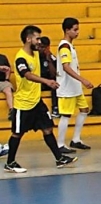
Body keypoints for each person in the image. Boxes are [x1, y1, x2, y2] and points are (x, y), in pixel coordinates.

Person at [3, 26, 77, 173]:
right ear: (28, 39)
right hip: (23, 104)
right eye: (37, 38)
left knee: (48, 128)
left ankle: (59, 158)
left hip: (37, 102)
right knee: (17, 133)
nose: (39, 41)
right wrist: (46, 81)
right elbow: (27, 74)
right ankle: (10, 162)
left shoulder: (37, 53)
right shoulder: (21, 57)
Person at [55, 18, 93, 154]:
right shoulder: (64, 46)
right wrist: (83, 79)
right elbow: (66, 67)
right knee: (65, 115)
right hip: (66, 87)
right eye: (75, 29)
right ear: (67, 30)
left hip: (75, 87)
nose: (77, 32)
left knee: (84, 109)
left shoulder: (70, 46)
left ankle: (76, 139)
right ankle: (60, 144)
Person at [36, 36, 58, 117]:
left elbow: (54, 74)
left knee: (55, 84)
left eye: (42, 47)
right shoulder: (34, 57)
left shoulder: (52, 58)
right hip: (39, 81)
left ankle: (55, 108)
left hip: (49, 82)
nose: (39, 49)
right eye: (38, 46)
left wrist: (48, 60)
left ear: (47, 47)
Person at [0, 52, 14, 119]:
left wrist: (7, 79)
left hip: (2, 81)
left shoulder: (3, 57)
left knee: (8, 89)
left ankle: (12, 111)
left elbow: (8, 69)